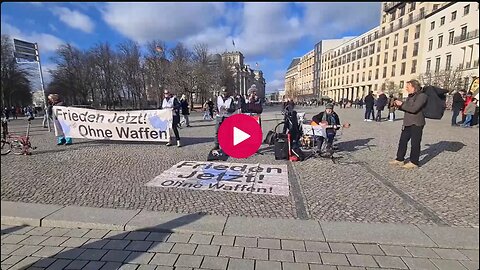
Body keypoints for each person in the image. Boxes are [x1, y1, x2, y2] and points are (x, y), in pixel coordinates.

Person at [389, 80, 427, 169]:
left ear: (414, 87)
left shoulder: (422, 96)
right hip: (407, 122)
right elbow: (407, 108)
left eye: (408, 86)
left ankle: (414, 162)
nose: (406, 88)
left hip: (417, 123)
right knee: (402, 141)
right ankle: (400, 159)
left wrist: (402, 104)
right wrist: (399, 106)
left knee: (415, 143)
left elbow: (414, 109)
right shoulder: (410, 96)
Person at [213, 86, 235, 150]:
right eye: (223, 92)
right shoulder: (218, 98)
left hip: (227, 117)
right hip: (219, 117)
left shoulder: (230, 99)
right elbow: (215, 106)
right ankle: (217, 145)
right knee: (217, 131)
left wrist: (229, 109)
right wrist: (216, 110)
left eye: (225, 92)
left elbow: (233, 108)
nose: (224, 93)